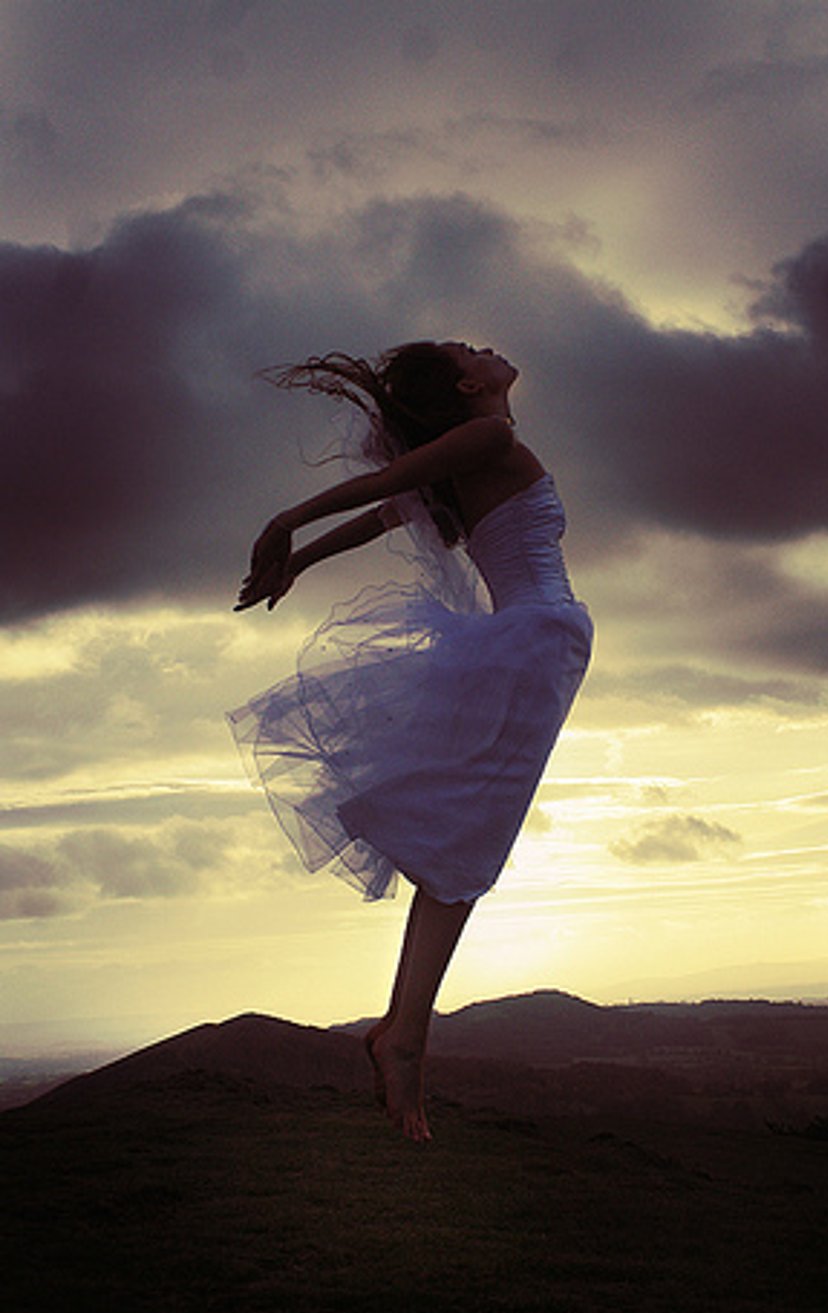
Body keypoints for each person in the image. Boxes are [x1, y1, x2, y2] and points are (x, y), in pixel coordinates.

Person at [230, 341, 592, 1141]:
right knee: (465, 852)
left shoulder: (480, 453)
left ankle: (404, 1030)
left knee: (461, 851)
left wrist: (300, 557)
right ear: (469, 385)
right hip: (533, 642)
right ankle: (406, 1038)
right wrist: (288, 525)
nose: (491, 348)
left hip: (532, 646)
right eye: (474, 350)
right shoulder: (491, 441)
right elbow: (386, 489)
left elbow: (383, 513)